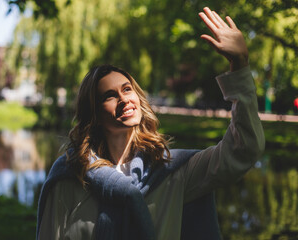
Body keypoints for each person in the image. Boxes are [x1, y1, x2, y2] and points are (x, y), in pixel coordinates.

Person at [36, 7, 265, 240]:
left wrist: (240, 65)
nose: (124, 98)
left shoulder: (171, 172)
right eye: (109, 95)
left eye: (127, 89)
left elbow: (243, 151)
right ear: (92, 113)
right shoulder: (70, 177)